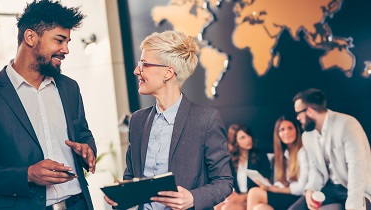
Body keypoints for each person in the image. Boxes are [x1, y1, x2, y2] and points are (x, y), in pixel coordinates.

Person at [104, 30, 233, 209]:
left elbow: (224, 181)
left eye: (144, 64)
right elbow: (131, 176)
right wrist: (122, 196)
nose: (136, 71)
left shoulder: (206, 119)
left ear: (168, 73)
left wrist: (192, 198)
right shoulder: (137, 121)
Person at [0, 0, 97, 209]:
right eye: (59, 40)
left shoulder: (70, 88)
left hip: (78, 204)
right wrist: (28, 175)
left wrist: (87, 150)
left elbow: (84, 134)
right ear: (30, 37)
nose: (66, 50)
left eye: (67, 42)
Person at [290, 88, 371, 210]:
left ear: (310, 111)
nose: (297, 118)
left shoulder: (347, 124)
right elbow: (315, 169)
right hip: (329, 189)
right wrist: (310, 189)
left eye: (298, 113)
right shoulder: (307, 136)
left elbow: (357, 169)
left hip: (355, 187)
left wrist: (354, 207)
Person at [247, 116, 309, 210]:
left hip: (300, 197)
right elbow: (282, 182)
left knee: (254, 193)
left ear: (296, 130)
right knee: (260, 208)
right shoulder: (283, 155)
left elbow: (301, 188)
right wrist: (271, 186)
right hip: (287, 195)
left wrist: (275, 189)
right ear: (278, 134)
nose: (286, 132)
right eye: (282, 129)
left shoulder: (303, 152)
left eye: (290, 128)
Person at [215, 124, 271, 210]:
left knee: (226, 208)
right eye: (243, 137)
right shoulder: (230, 160)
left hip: (253, 199)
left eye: (248, 135)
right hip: (239, 199)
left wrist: (242, 197)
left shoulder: (261, 157)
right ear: (235, 141)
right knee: (218, 206)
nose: (248, 139)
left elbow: (265, 185)